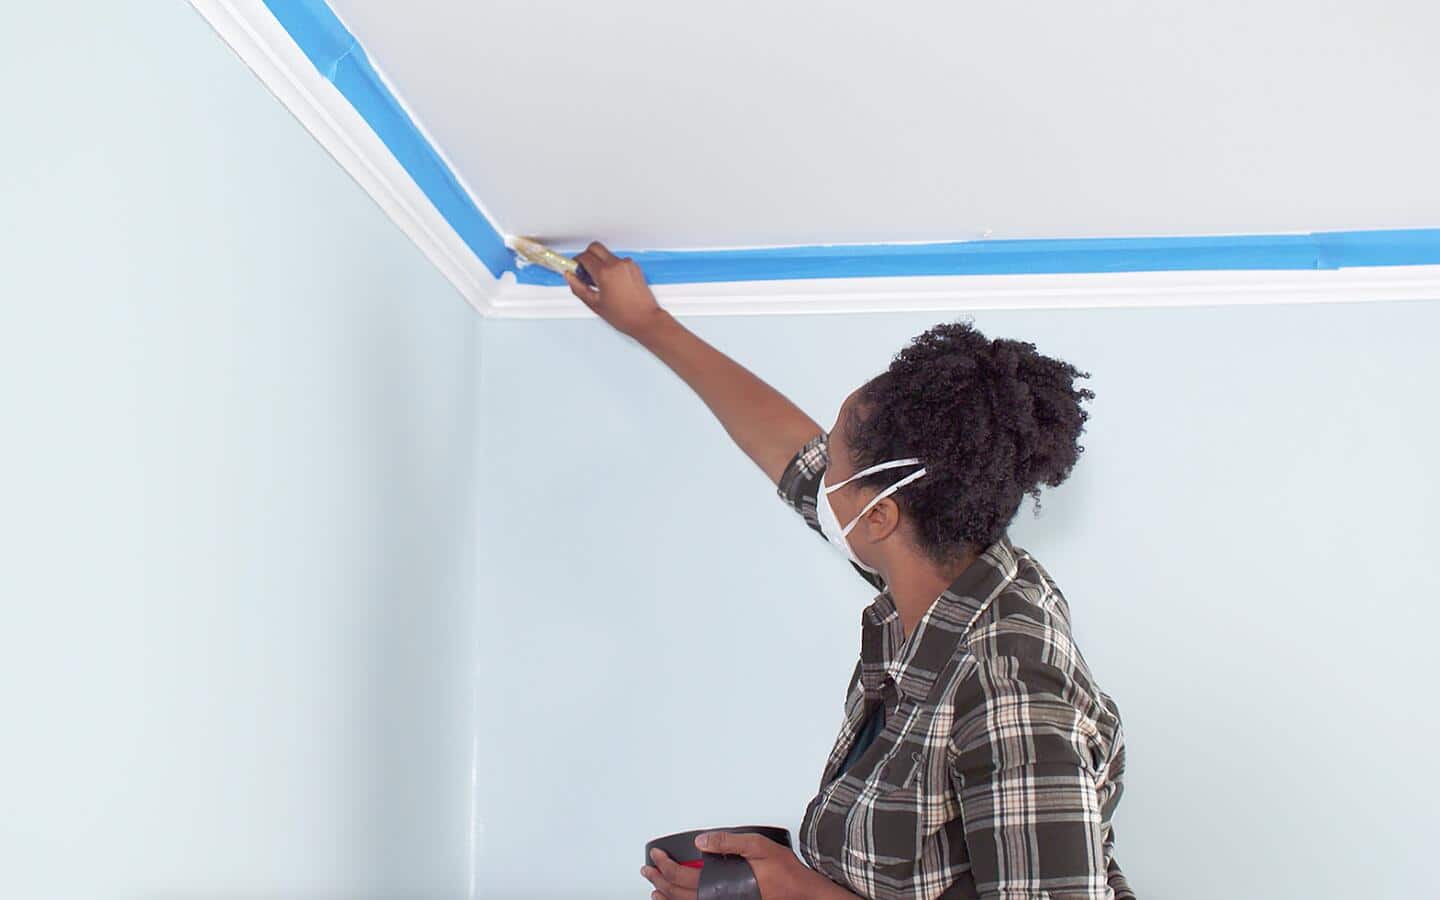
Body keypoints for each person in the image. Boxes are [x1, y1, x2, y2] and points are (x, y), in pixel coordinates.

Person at [561, 243, 1133, 900]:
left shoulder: (1011, 689)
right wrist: (650, 324)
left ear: (883, 516)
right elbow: (787, 453)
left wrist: (800, 895)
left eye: (833, 461)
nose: (817, 471)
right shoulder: (951, 571)